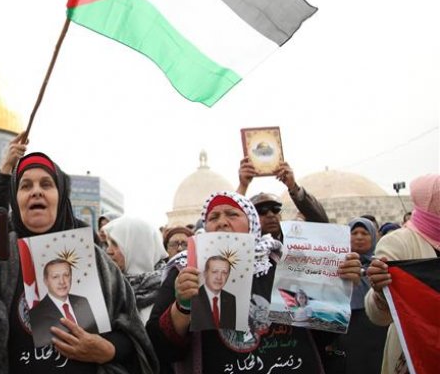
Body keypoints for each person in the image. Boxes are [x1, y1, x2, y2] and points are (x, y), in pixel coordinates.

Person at [0, 151, 157, 373]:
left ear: (60, 197)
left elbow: (133, 332)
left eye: (46, 184)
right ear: (15, 199)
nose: (36, 191)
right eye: (26, 186)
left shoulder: (95, 260)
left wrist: (109, 349)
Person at [147, 191, 362, 374]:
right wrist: (182, 307)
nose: (222, 221)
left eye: (232, 214)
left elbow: (322, 334)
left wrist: (336, 288)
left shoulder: (282, 261)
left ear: (251, 222)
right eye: (213, 217)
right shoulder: (186, 270)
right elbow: (161, 347)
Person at [366, 174, 439, 374]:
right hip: (415, 352)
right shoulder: (398, 242)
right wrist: (380, 292)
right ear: (430, 202)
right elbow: (379, 315)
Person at [323, 217, 387, 373]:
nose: (359, 237)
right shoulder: (334, 268)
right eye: (354, 233)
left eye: (365, 233)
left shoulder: (381, 267)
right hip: (346, 334)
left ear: (374, 236)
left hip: (377, 333)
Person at [238, 158, 328, 240]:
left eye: (275, 209)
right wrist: (243, 186)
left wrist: (292, 186)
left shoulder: (294, 240)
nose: (270, 215)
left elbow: (322, 222)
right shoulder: (247, 248)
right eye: (262, 211)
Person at [104, 215, 168, 324]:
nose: (108, 251)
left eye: (115, 244)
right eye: (108, 244)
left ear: (137, 247)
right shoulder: (106, 285)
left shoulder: (170, 289)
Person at [29, 259, 99, 348]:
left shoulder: (82, 301)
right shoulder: (36, 313)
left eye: (66, 275)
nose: (62, 282)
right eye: (55, 277)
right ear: (46, 281)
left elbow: (94, 333)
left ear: (71, 277)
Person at [190, 256, 236, 330]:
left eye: (224, 273)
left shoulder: (231, 299)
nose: (219, 277)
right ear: (205, 273)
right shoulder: (193, 296)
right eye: (214, 272)